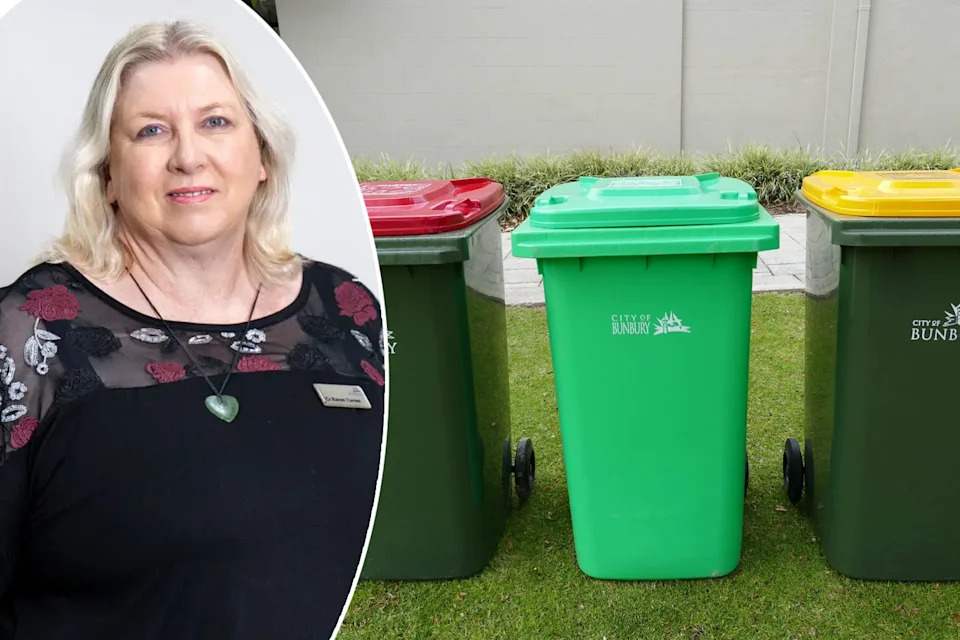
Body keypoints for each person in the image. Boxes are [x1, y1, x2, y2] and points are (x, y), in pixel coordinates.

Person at [0, 20, 385, 639]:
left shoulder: (344, 311)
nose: (187, 156)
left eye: (215, 122)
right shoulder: (30, 335)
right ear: (106, 175)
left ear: (261, 155)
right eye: (151, 131)